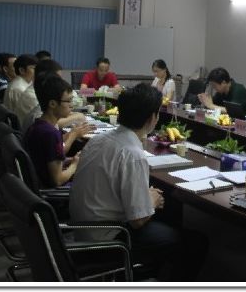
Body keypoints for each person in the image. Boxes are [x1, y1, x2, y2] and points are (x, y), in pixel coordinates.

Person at [69, 83, 208, 281]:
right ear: (152, 118)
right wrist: (151, 201)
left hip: (82, 229)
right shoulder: (132, 154)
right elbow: (138, 220)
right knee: (196, 242)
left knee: (167, 213)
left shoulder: (98, 139)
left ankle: (147, 271)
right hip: (109, 240)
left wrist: (146, 197)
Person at [22, 75, 80, 187]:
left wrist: (71, 160)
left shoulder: (37, 126)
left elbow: (46, 161)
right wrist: (74, 165)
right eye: (68, 101)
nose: (72, 105)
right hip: (53, 191)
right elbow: (57, 180)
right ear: (52, 104)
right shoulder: (51, 134)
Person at [21, 59, 93, 143]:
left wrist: (73, 133)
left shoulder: (41, 94)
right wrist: (74, 131)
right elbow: (58, 149)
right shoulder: (47, 128)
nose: (61, 82)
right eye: (57, 79)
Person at [3, 54, 39, 126]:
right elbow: (31, 116)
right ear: (22, 70)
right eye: (34, 68)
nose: (38, 71)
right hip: (20, 128)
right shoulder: (19, 88)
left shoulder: (24, 83)